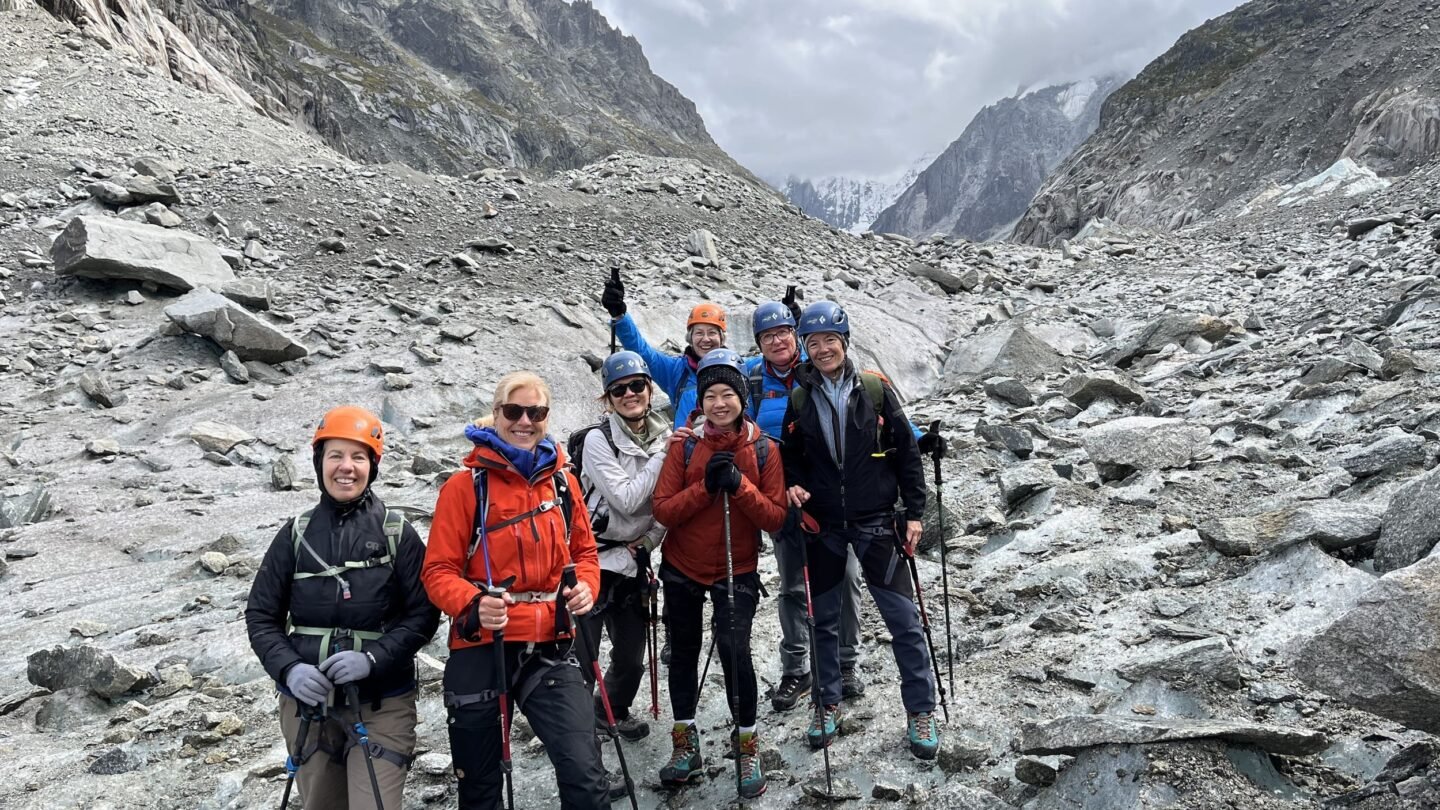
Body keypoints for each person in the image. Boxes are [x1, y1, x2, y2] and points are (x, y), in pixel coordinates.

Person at [422, 372, 608, 809]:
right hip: (483, 643)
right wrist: (472, 602)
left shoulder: (563, 482)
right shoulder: (464, 487)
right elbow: (438, 571)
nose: (525, 421)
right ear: (496, 413)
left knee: (585, 772)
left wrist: (587, 587)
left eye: (536, 412)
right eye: (513, 411)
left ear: (547, 418)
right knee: (482, 786)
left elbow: (584, 551)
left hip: (550, 643)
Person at [246, 405, 439, 809]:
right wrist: (290, 669)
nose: (346, 467)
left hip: (382, 703)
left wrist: (372, 659)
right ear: (319, 462)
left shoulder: (396, 534)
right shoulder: (295, 535)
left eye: (358, 456)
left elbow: (423, 615)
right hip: (307, 709)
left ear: (373, 465)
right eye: (335, 455)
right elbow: (262, 617)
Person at [780, 301, 944, 761]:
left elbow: (907, 453)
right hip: (825, 527)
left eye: (830, 340)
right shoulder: (799, 398)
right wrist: (793, 484)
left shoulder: (874, 390)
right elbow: (791, 455)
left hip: (877, 524)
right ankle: (827, 702)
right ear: (805, 350)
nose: (823, 348)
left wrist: (915, 513)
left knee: (905, 622)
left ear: (845, 342)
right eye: (814, 343)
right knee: (824, 622)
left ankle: (920, 710)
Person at [651, 349, 785, 798]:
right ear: (700, 401)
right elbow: (664, 510)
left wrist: (739, 486)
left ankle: (747, 744)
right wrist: (706, 487)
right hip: (683, 567)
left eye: (729, 393)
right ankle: (685, 744)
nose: (720, 403)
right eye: (711, 395)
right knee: (684, 651)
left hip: (737, 567)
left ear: (743, 399)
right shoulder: (683, 445)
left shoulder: (763, 449)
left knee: (734, 650)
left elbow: (775, 518)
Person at [744, 293, 867, 713]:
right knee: (794, 584)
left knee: (847, 577)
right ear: (758, 344)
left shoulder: (818, 370)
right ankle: (797, 668)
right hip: (781, 499)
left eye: (783, 332)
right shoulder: (752, 382)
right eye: (767, 336)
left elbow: (864, 411)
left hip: (829, 497)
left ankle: (845, 662)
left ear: (795, 334)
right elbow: (723, 419)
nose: (777, 341)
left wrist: (919, 437)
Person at [576, 351, 671, 743]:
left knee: (631, 658)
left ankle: (609, 711)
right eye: (619, 389)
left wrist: (649, 541)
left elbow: (668, 506)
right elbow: (628, 499)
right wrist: (665, 455)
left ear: (649, 389)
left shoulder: (667, 436)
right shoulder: (598, 441)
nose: (629, 394)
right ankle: (579, 732)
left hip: (634, 559)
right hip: (591, 558)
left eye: (636, 385)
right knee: (583, 657)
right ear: (608, 398)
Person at [602, 267, 727, 430]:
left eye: (712, 333)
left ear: (721, 338)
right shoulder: (676, 371)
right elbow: (641, 352)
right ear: (690, 338)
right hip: (688, 453)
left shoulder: (739, 367)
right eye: (699, 333)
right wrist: (619, 315)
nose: (705, 339)